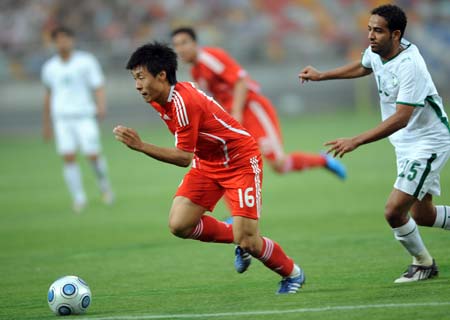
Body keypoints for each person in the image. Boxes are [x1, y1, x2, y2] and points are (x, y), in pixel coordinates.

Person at [113, 42, 305, 294]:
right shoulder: (158, 98)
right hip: (207, 163)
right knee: (180, 225)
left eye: (141, 77)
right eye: (134, 78)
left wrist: (140, 146)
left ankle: (293, 274)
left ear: (161, 76)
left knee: (249, 241)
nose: (137, 85)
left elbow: (183, 157)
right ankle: (236, 233)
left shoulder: (183, 102)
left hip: (239, 161)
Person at [299, 4, 450, 283]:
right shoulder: (379, 51)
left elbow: (402, 117)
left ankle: (423, 263)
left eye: (377, 31)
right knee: (423, 215)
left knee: (394, 211)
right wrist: (322, 75)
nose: (370, 36)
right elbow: (364, 64)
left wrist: (356, 140)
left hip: (428, 141)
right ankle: (423, 261)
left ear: (395, 35)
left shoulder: (410, 66)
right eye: (369, 29)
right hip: (405, 143)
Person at [171, 27, 346, 179]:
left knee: (278, 164)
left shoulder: (210, 58)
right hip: (233, 117)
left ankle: (323, 160)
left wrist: (237, 112)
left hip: (251, 108)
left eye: (184, 42)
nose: (180, 49)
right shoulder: (195, 71)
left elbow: (241, 81)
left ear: (195, 43)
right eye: (176, 45)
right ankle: (236, 215)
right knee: (223, 161)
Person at [42, 26, 113, 212]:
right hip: (62, 118)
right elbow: (48, 94)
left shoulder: (86, 61)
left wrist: (101, 105)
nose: (62, 43)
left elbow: (98, 85)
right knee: (68, 156)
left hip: (84, 115)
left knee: (93, 155)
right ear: (54, 43)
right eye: (58, 39)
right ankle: (79, 198)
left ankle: (104, 187)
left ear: (72, 40)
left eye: (65, 38)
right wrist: (47, 123)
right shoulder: (50, 67)